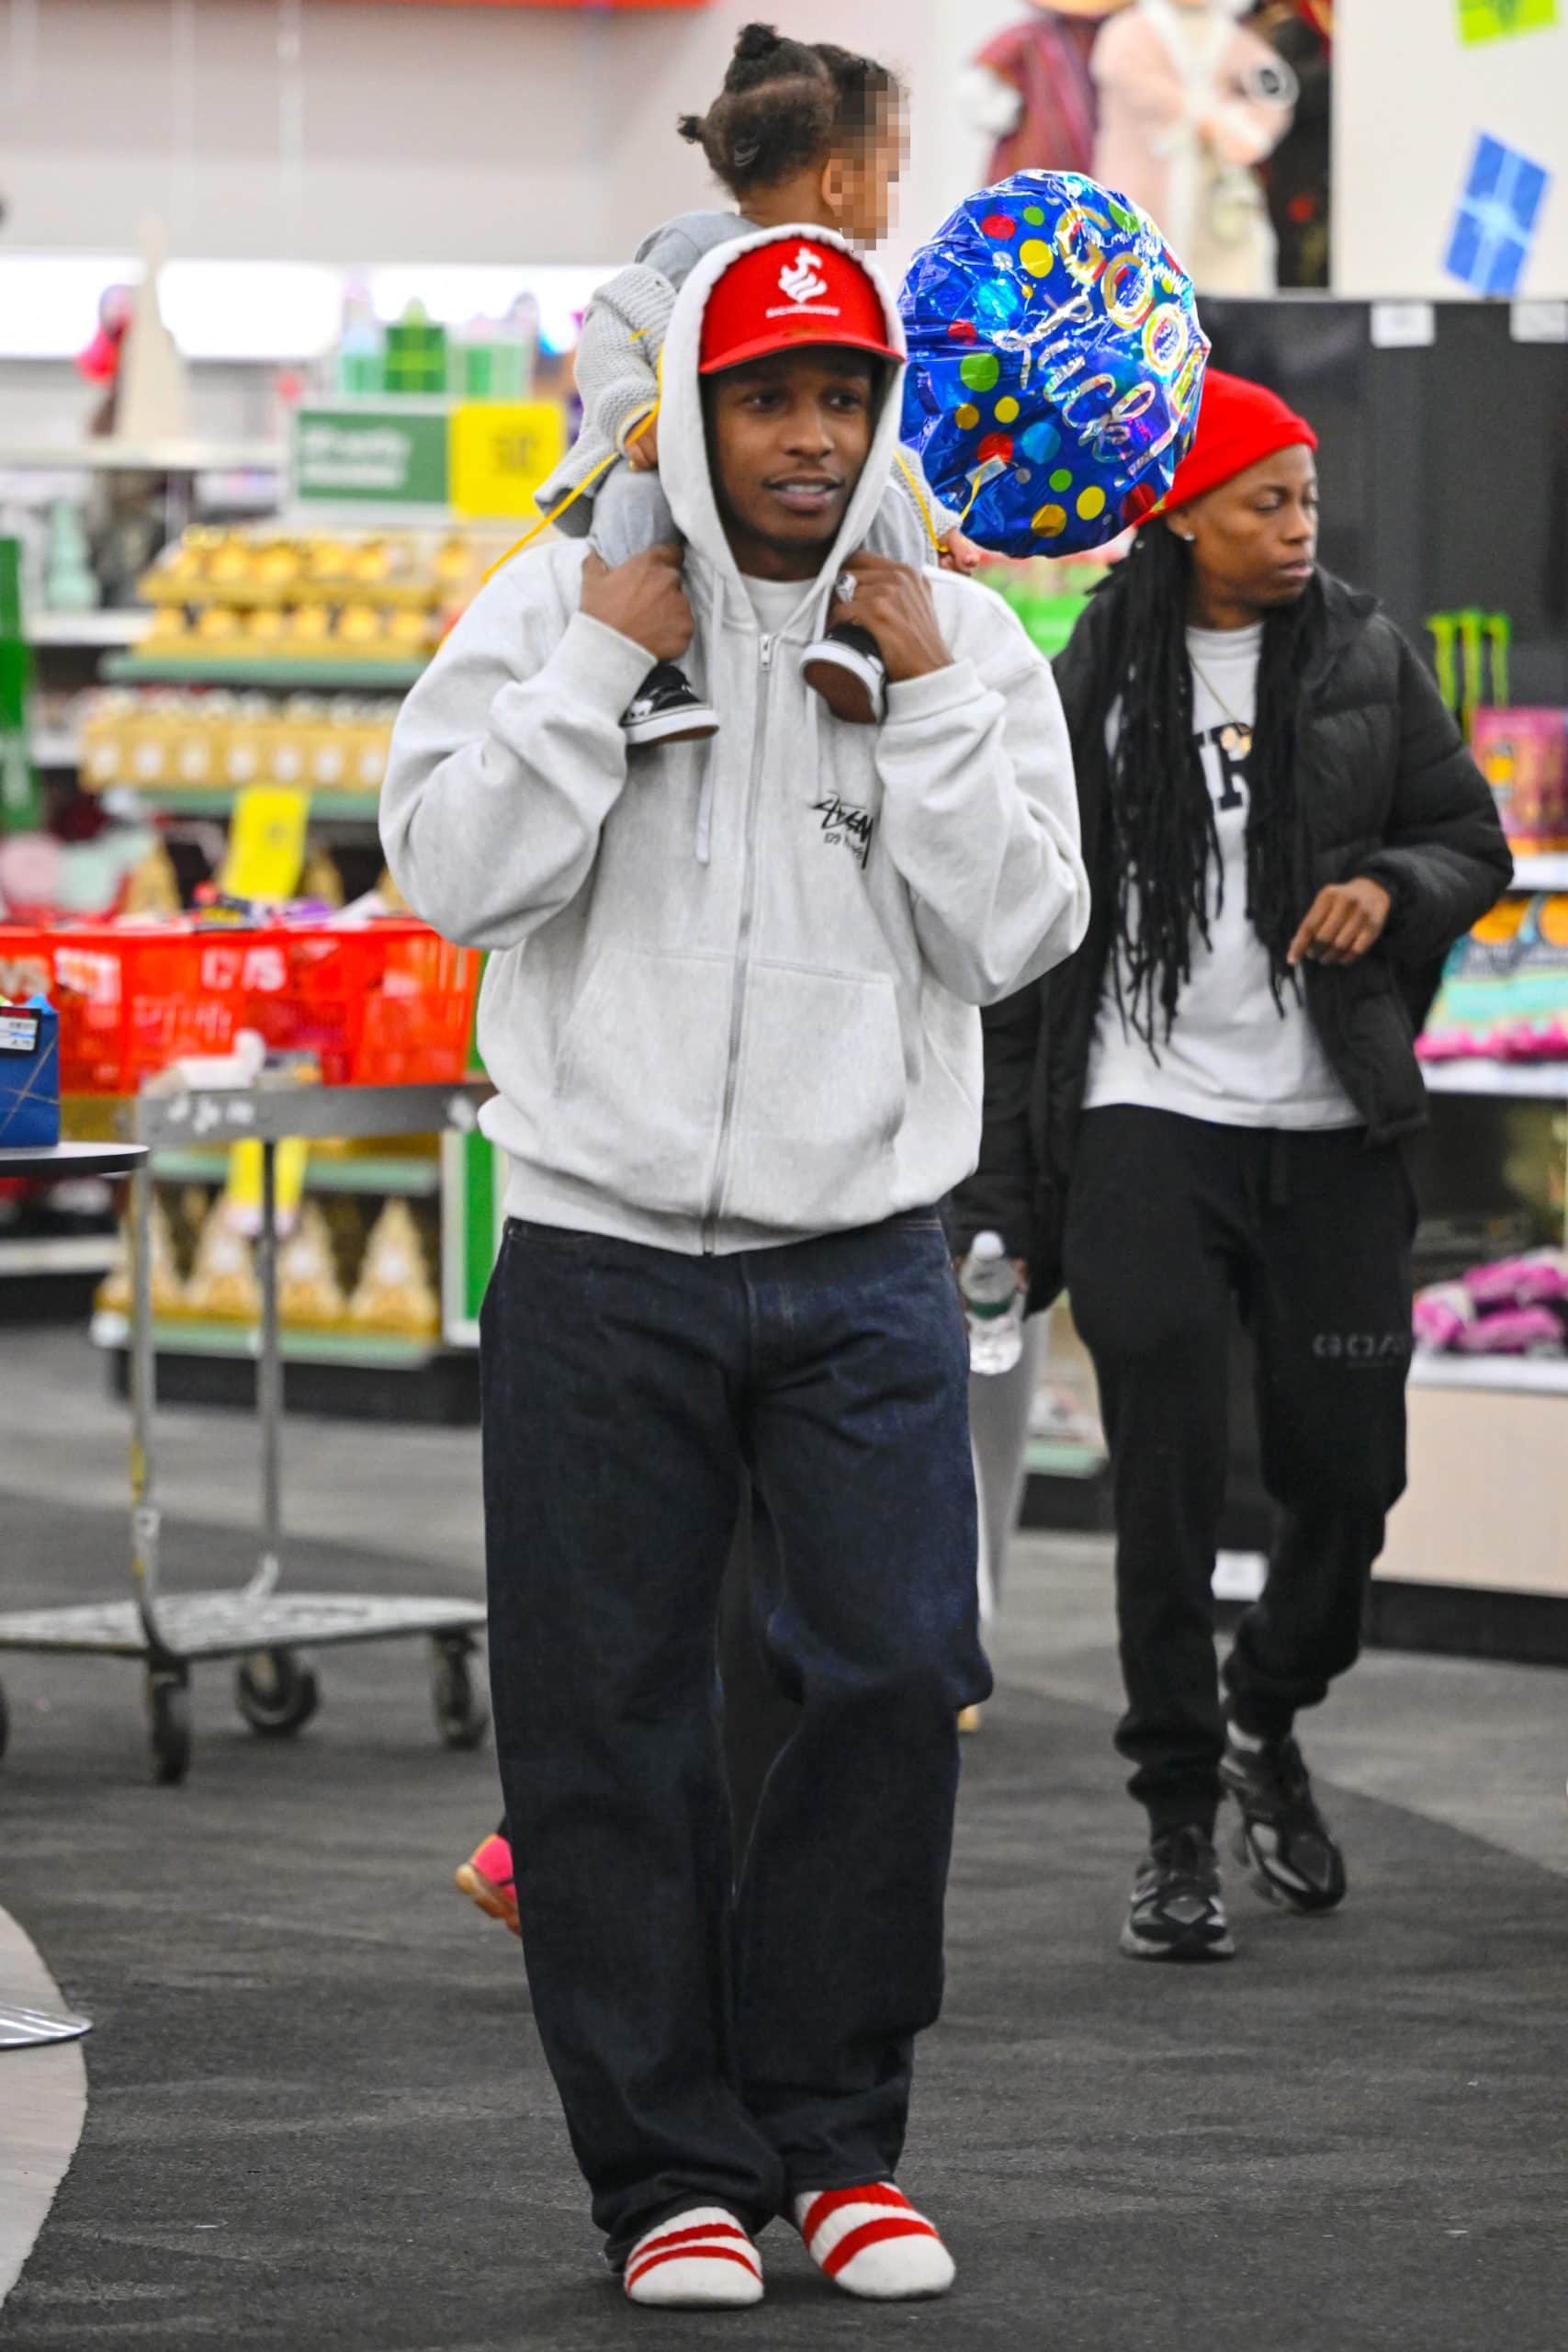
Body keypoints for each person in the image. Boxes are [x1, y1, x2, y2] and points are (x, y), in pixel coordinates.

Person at [382, 228, 1088, 2305]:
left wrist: (936, 689)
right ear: (688, 406)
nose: (806, 433)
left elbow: (1015, 933)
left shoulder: (954, 627)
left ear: (883, 409)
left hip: (862, 1249)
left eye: (840, 394)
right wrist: (603, 660)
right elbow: (454, 874)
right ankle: (667, 2171)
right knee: (606, 1724)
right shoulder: (549, 600)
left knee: (886, 1670)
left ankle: (834, 2137)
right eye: (766, 392)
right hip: (599, 1254)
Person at [953, 370, 1510, 1963]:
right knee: (1166, 1488)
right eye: (1265, 500)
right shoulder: (1091, 679)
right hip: (1139, 1125)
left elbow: (1467, 839)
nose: (1297, 526)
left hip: (1329, 1132)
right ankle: (1177, 1823)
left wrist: (1390, 891)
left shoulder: (1360, 656)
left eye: (1307, 501)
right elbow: (1020, 948)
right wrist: (998, 1192)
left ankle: (1270, 1702)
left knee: (1347, 1483)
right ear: (1182, 512)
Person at [536, 21, 976, 751]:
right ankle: (644, 672)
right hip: (673, 470)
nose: (893, 198)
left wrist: (932, 513)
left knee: (886, 505)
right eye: (890, 174)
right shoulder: (699, 251)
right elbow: (613, 326)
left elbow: (870, 435)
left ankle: (863, 640)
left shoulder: (847, 295)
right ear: (839, 182)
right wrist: (634, 412)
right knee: (632, 501)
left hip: (782, 517)